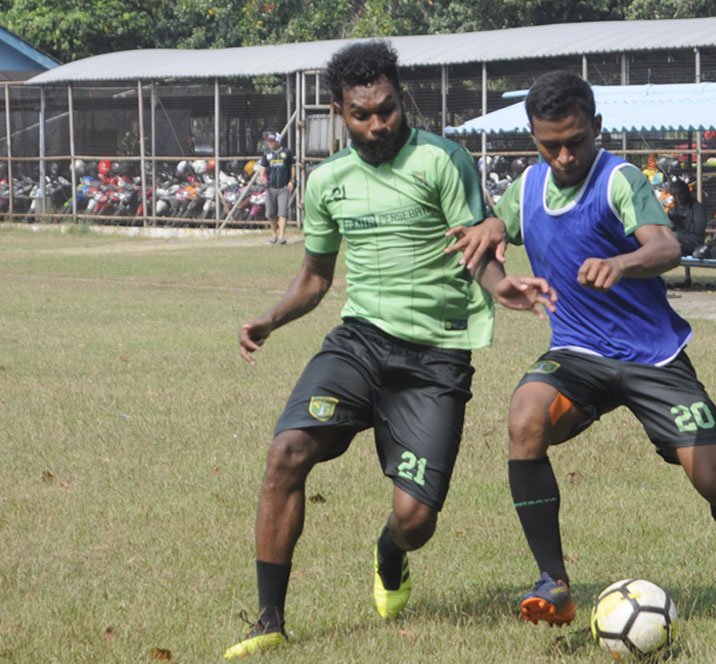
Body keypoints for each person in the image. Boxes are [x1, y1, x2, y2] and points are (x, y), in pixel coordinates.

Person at [224, 40, 555, 659]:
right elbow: (316, 278)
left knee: (414, 519)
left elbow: (474, 246)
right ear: (339, 112)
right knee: (285, 453)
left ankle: (390, 554)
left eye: (386, 109)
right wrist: (271, 318)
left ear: (400, 98)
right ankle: (268, 619)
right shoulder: (327, 182)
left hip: (436, 357)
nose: (377, 124)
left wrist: (501, 285)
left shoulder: (444, 162)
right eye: (361, 114)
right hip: (360, 343)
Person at [448, 71, 716, 629]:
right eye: (548, 144)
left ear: (596, 128)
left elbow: (667, 245)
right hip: (577, 353)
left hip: (653, 357)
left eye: (574, 141)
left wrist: (621, 263)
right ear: (533, 137)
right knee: (525, 419)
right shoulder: (527, 187)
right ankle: (553, 582)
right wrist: (497, 279)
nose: (562, 156)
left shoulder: (618, 179)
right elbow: (486, 243)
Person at [259, 130, 295, 244]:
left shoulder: (287, 152)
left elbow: (292, 167)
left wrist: (292, 181)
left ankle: (281, 237)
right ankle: (274, 235)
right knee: (270, 213)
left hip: (283, 187)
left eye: (272, 141)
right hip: (270, 187)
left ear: (278, 140)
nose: (269, 143)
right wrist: (262, 176)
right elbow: (262, 169)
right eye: (268, 141)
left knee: (282, 212)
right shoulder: (266, 153)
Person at [668, 177, 707, 256]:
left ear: (687, 191)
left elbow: (699, 232)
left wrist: (682, 222)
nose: (678, 197)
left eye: (680, 193)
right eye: (675, 195)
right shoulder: (672, 209)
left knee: (672, 235)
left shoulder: (697, 207)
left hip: (694, 242)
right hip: (676, 241)